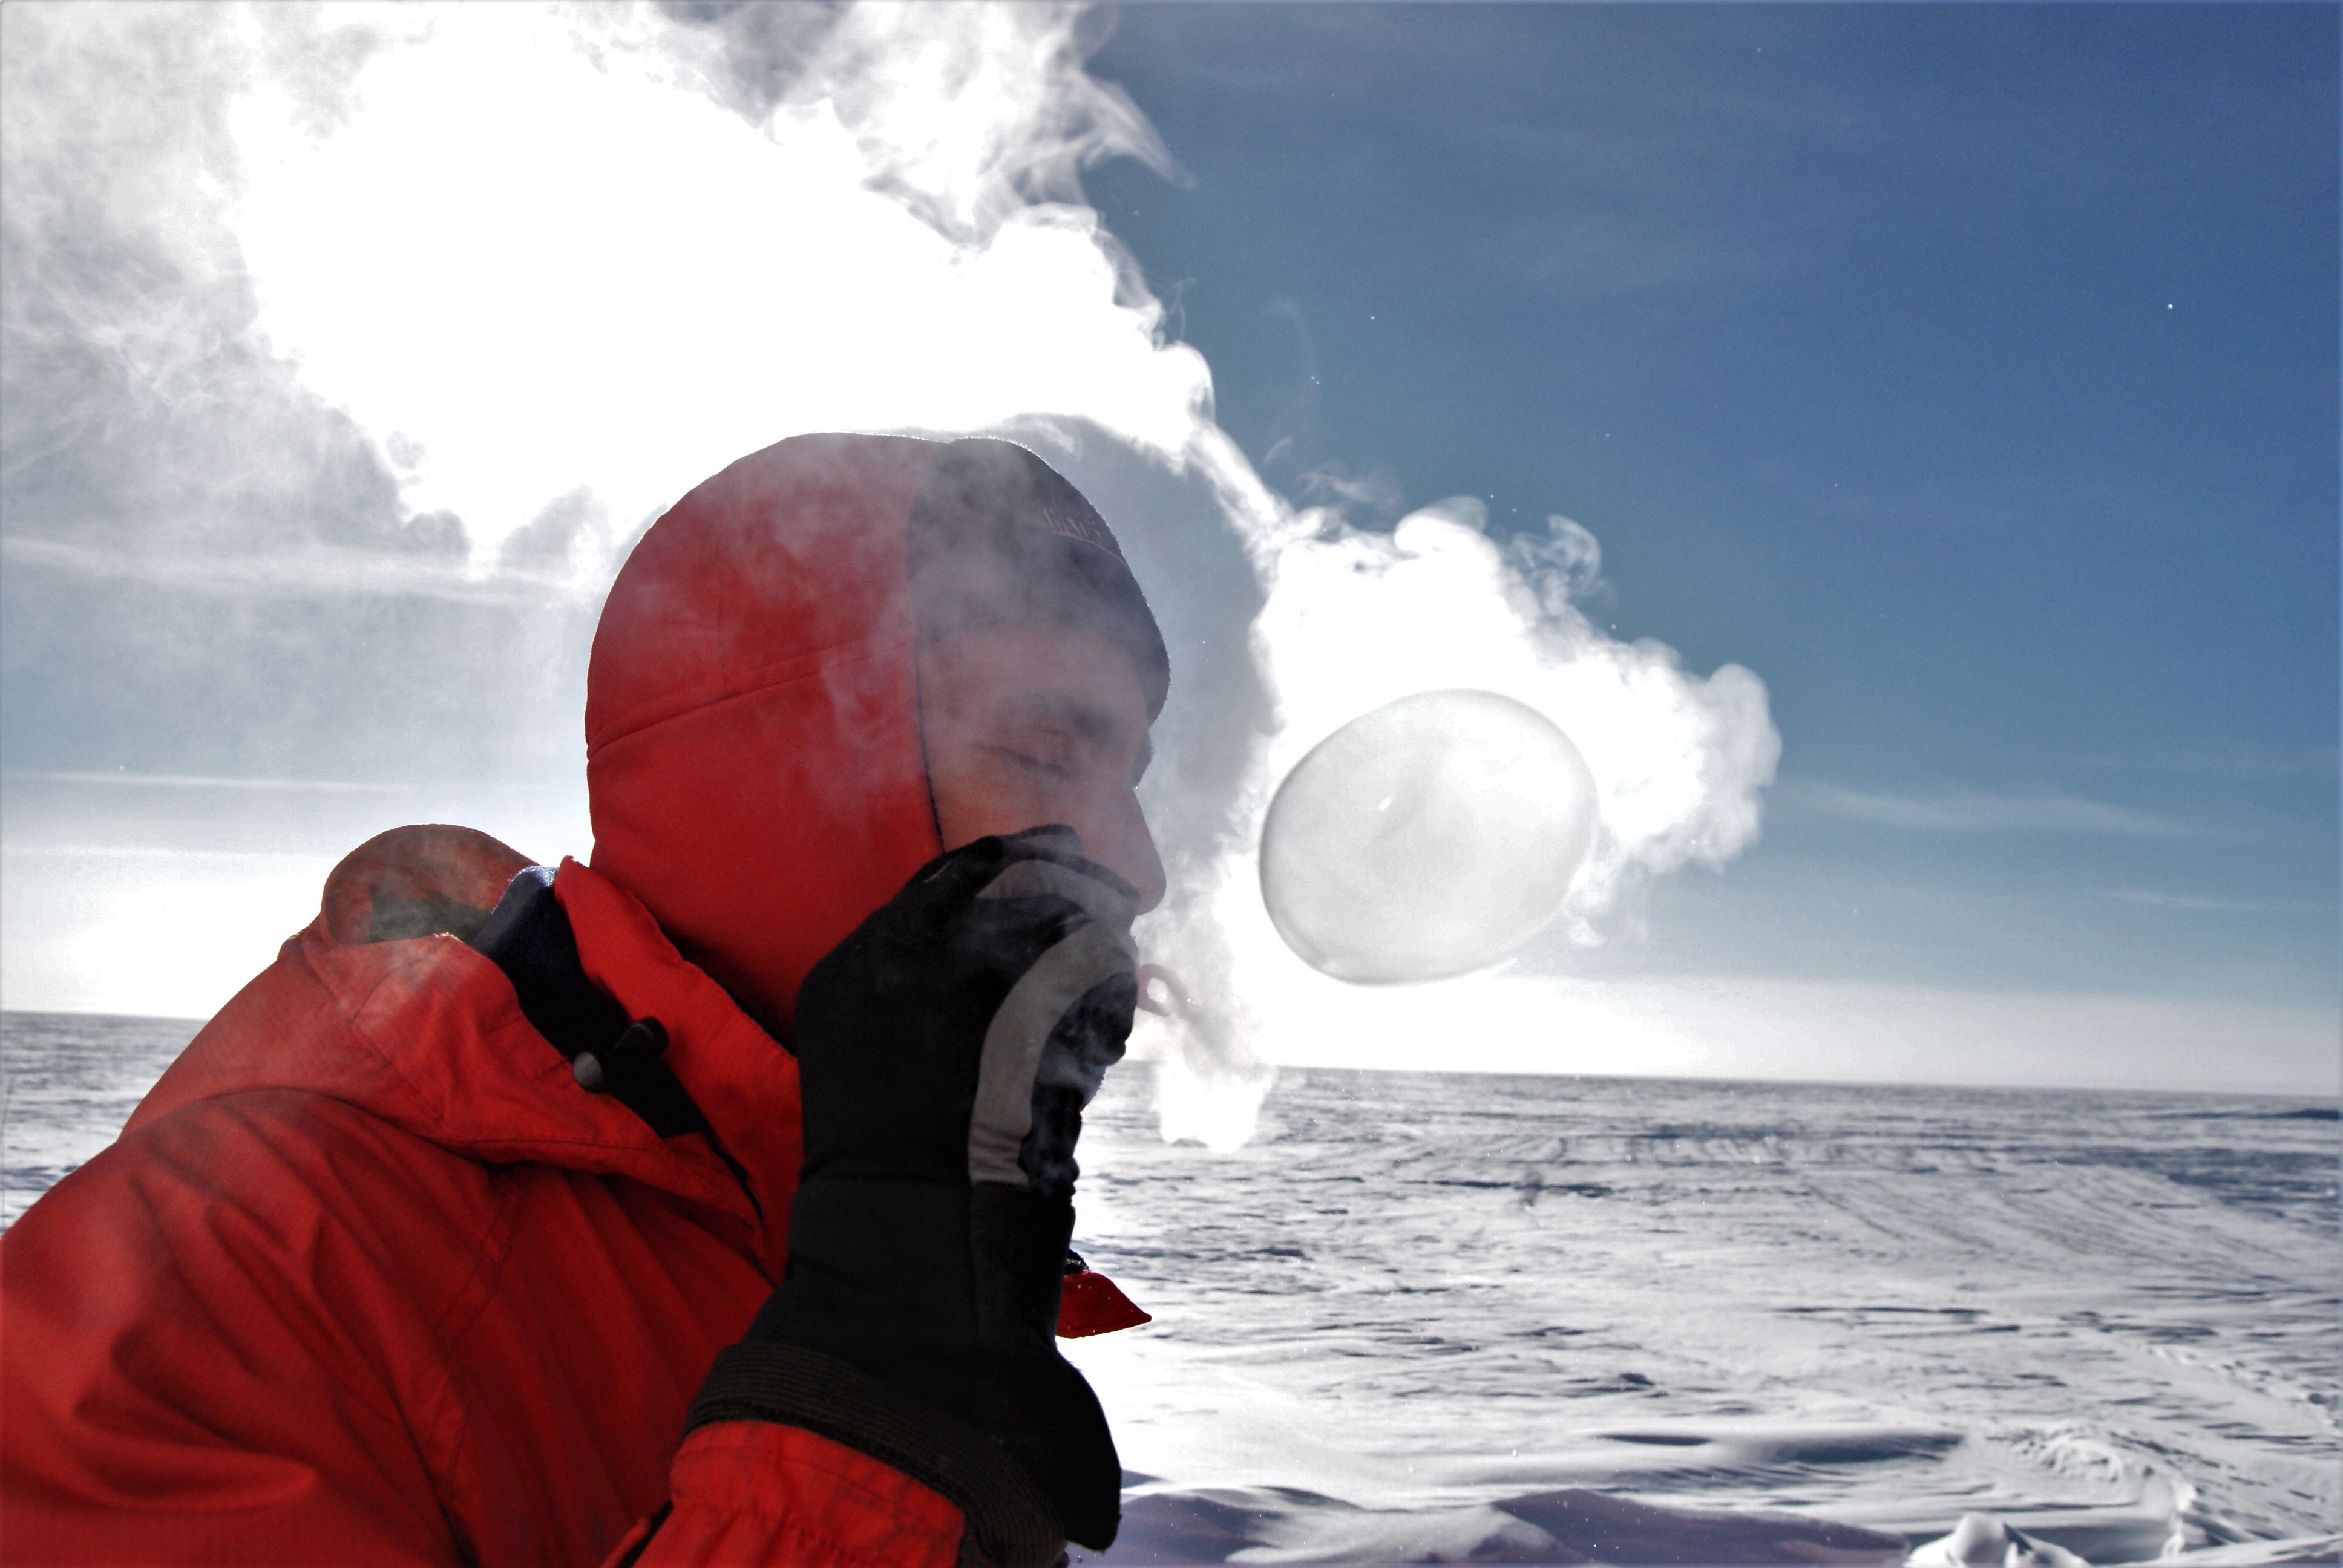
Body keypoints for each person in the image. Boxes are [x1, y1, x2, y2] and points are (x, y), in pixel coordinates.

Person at [1, 433, 1171, 1567]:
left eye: (1131, 778)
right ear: (780, 777)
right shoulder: (220, 1272)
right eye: (1043, 754)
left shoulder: (865, 1227)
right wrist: (877, 1403)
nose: (1142, 864)